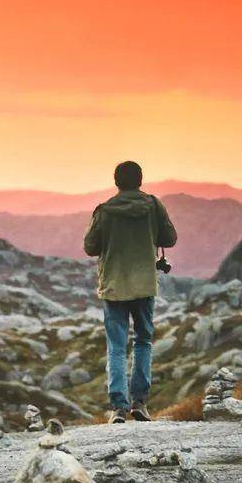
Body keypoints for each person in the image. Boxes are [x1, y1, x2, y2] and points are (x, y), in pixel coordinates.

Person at [84, 160, 177, 423]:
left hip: (114, 286)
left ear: (116, 182)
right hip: (144, 284)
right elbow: (169, 238)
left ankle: (118, 408)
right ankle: (140, 403)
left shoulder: (104, 211)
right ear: (140, 180)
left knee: (116, 347)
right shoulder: (153, 206)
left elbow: (90, 247)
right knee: (143, 342)